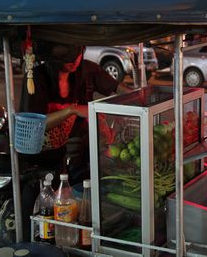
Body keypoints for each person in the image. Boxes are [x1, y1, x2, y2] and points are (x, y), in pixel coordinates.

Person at [19, 41, 131, 241]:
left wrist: (138, 98)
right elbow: (34, 124)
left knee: (69, 202)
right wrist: (71, 110)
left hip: (70, 152)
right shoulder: (36, 78)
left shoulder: (86, 70)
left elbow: (117, 88)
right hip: (38, 156)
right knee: (41, 209)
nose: (73, 63)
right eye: (66, 60)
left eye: (76, 56)